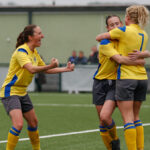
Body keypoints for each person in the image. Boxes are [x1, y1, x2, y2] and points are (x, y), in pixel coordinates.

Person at [0, 24, 75, 150]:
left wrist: (66, 69)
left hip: (22, 92)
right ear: (30, 37)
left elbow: (44, 70)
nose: (43, 36)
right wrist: (50, 66)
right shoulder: (21, 51)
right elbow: (32, 69)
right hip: (10, 92)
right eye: (39, 33)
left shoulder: (34, 52)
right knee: (18, 125)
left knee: (33, 122)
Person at [96, 5, 149, 150]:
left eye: (116, 24)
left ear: (125, 19)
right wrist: (142, 57)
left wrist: (112, 32)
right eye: (111, 25)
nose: (115, 26)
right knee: (133, 117)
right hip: (140, 78)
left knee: (128, 119)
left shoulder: (123, 32)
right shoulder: (143, 33)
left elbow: (99, 38)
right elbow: (141, 56)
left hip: (125, 78)